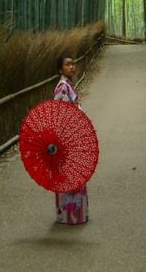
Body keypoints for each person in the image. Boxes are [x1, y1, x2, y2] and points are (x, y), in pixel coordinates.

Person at [52, 56, 88, 225]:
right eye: (67, 64)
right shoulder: (62, 87)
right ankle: (71, 215)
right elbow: (62, 115)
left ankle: (73, 215)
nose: (72, 67)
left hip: (73, 136)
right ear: (60, 69)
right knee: (70, 176)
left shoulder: (67, 86)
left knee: (73, 176)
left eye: (73, 64)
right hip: (67, 139)